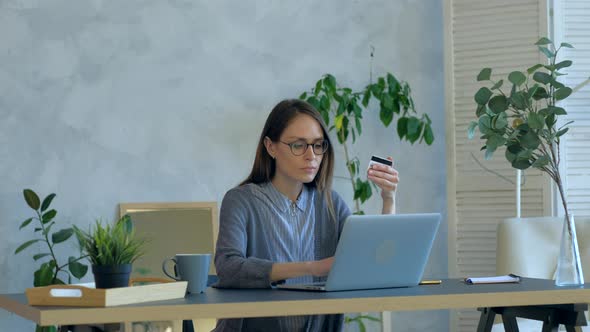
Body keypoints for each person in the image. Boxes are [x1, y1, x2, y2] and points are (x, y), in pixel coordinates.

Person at [212, 99, 399, 331]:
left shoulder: (331, 204)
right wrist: (312, 267)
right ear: (271, 147)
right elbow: (229, 268)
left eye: (318, 145)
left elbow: (373, 265)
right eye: (298, 145)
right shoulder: (241, 200)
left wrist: (388, 200)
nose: (311, 156)